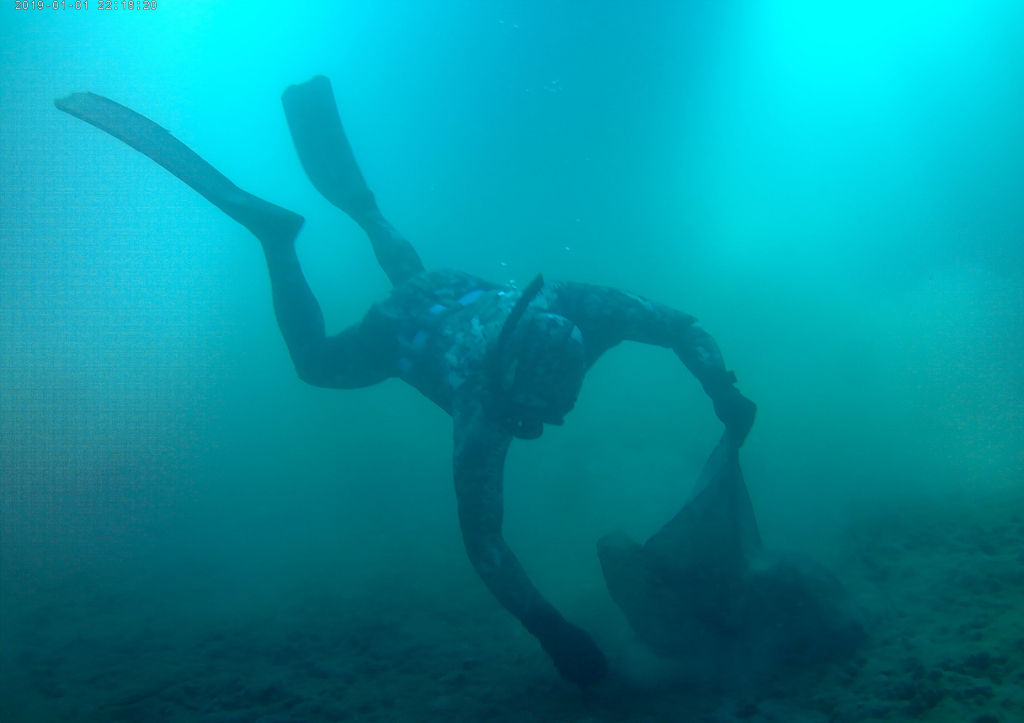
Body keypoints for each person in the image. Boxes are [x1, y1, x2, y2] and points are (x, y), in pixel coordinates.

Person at [55, 76, 756, 687]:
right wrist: (552, 630)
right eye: (528, 413)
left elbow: (682, 327)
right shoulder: (482, 407)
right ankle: (276, 240)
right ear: (503, 390)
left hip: (453, 290)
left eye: (549, 410)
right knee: (316, 365)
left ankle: (364, 211)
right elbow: (484, 544)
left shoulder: (566, 303)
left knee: (415, 278)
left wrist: (720, 386)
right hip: (406, 333)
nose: (539, 425)